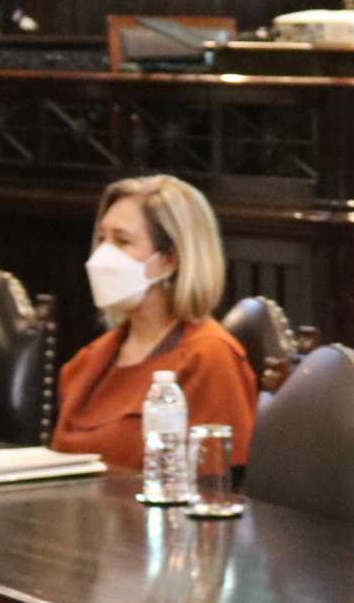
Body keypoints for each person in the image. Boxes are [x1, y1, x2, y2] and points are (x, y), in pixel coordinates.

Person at [49, 173, 258, 469]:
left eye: (122, 241)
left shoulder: (210, 357)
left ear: (170, 260)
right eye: (101, 239)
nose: (103, 255)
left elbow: (219, 482)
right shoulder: (89, 361)